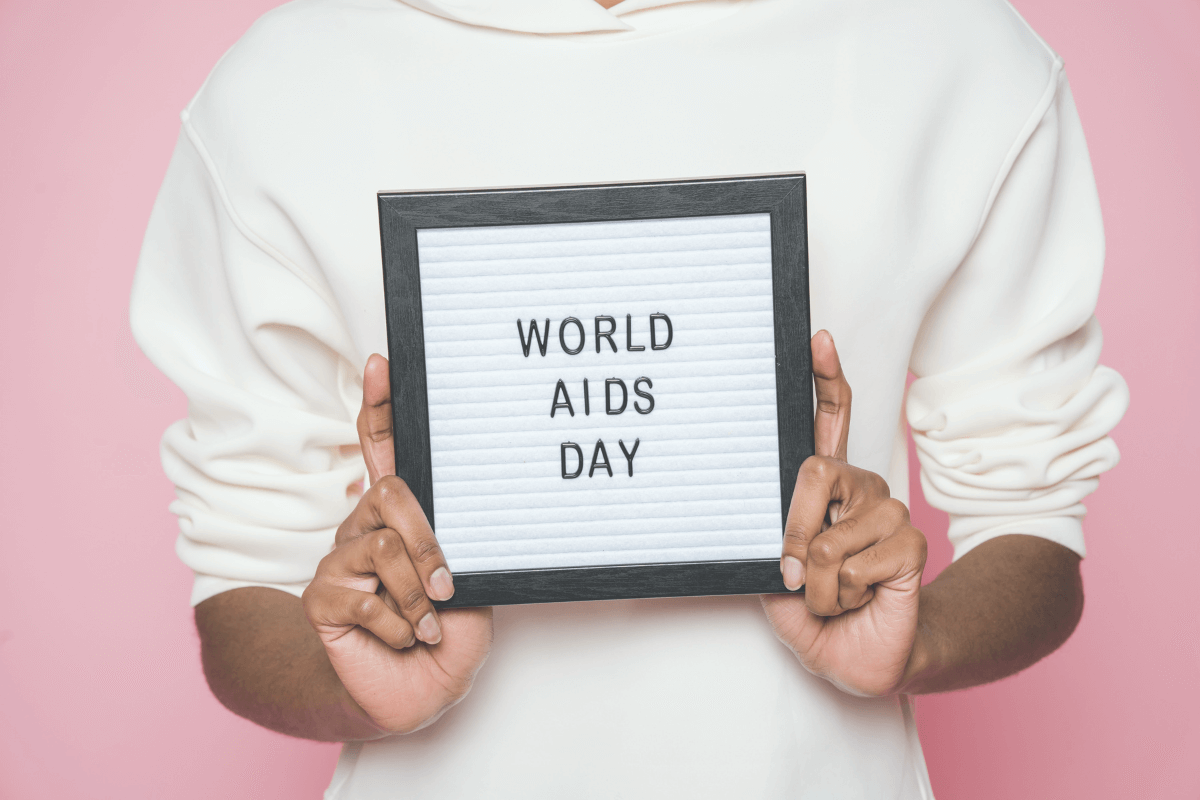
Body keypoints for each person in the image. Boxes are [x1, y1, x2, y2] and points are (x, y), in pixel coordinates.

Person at [130, 0, 1130, 796]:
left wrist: (919, 638)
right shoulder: (286, 83)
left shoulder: (948, 45)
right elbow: (242, 582)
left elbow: (1033, 520)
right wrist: (360, 687)